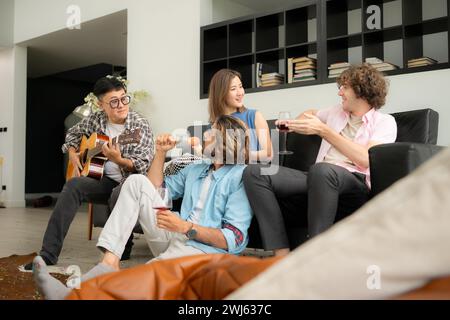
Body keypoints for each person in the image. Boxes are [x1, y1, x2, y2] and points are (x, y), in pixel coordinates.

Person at [32, 115, 254, 300]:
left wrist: (186, 226)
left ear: (225, 140)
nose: (205, 135)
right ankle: (109, 262)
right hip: (175, 236)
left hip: (202, 251)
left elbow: (233, 240)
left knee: (144, 280)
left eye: (211, 132)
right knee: (136, 182)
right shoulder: (197, 169)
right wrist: (159, 153)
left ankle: (73, 296)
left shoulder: (240, 177)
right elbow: (154, 189)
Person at [243, 63, 397, 256]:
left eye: (345, 87)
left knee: (322, 169)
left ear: (361, 91)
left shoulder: (385, 122)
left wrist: (324, 131)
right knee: (255, 172)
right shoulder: (335, 112)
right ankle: (280, 253)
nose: (340, 93)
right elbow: (312, 112)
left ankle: (314, 256)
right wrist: (293, 124)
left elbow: (366, 159)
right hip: (318, 177)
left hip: (353, 183)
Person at [24, 76, 154, 270]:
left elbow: (142, 165)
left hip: (129, 183)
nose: (121, 105)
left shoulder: (139, 125)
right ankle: (48, 254)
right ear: (101, 105)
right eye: (114, 102)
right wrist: (73, 153)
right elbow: (72, 134)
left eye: (124, 98)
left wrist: (118, 159)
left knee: (121, 191)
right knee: (73, 185)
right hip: (103, 179)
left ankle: (122, 247)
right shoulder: (96, 119)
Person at [208, 69, 273, 163]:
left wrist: (238, 155)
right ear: (220, 93)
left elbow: (268, 154)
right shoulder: (215, 123)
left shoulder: (254, 116)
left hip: (249, 171)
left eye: (240, 87)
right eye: (233, 89)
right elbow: (213, 158)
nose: (240, 93)